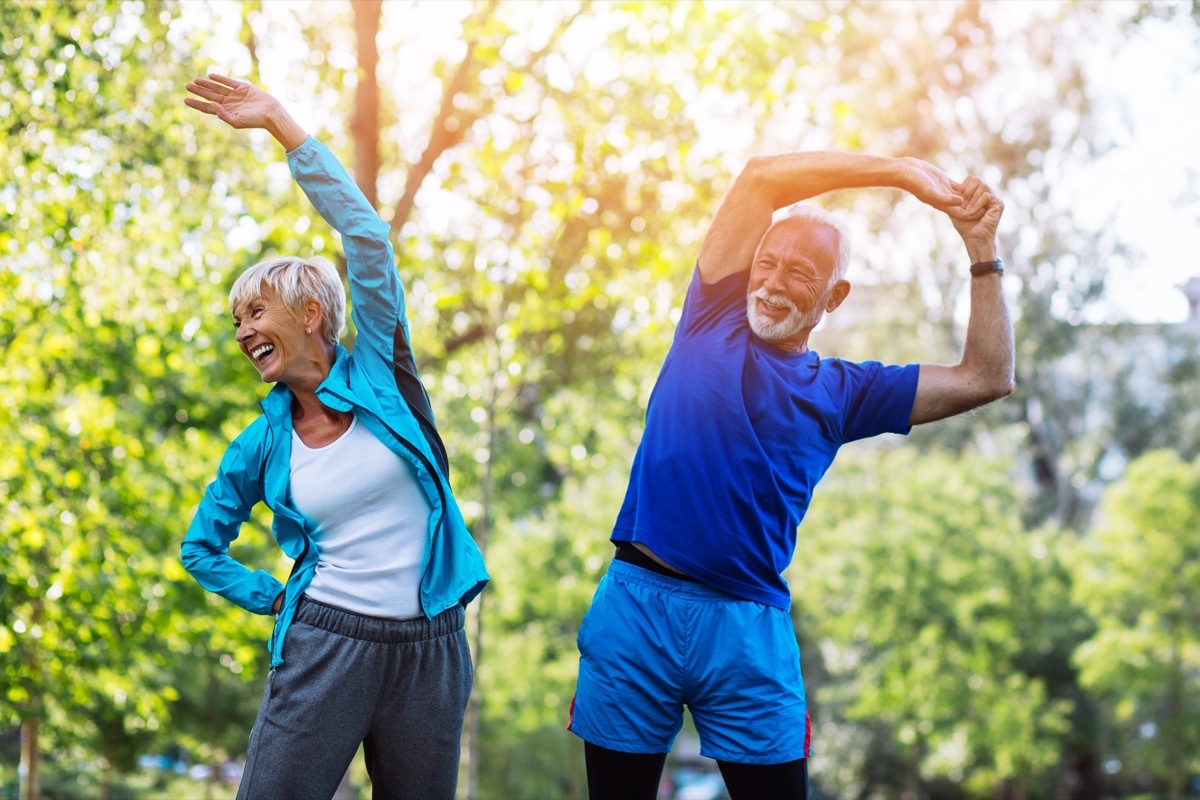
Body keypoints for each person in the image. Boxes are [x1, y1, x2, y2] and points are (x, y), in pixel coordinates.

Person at [568, 150, 1013, 799]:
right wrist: (903, 174)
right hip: (638, 608)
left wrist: (981, 250)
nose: (771, 283)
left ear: (835, 296)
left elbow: (987, 376)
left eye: (799, 273)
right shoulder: (709, 317)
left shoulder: (845, 392)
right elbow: (761, 178)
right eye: (766, 263)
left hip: (749, 635)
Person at [179, 74, 488, 800]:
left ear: (311, 312)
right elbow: (201, 547)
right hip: (326, 647)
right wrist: (274, 600)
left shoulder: (381, 370)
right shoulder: (263, 444)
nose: (244, 331)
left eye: (256, 312)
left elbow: (368, 237)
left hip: (431, 648)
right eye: (237, 322)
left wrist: (284, 126)